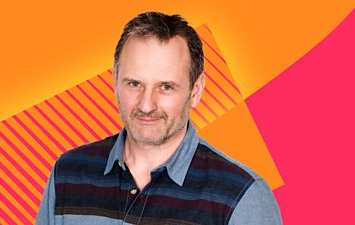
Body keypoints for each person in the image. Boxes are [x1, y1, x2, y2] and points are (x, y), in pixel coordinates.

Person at [36, 12, 282, 225]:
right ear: (115, 82)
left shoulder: (243, 195)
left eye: (165, 87)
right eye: (134, 84)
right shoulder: (67, 173)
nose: (146, 104)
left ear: (195, 91)